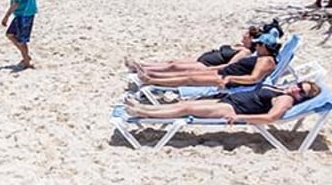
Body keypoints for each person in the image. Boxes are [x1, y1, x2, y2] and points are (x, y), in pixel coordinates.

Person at [136, 29, 281, 88]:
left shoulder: (266, 60)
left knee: (189, 79)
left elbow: (254, 78)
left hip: (227, 77)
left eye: (258, 44)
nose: (256, 46)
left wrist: (231, 79)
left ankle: (151, 81)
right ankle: (150, 75)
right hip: (225, 73)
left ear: (264, 46)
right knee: (188, 75)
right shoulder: (262, 56)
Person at [125, 80, 320, 124]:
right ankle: (143, 108)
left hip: (234, 108)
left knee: (185, 108)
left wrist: (239, 117)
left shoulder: (285, 99)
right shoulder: (282, 88)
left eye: (301, 92)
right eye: (299, 85)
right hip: (229, 100)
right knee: (181, 105)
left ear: (301, 98)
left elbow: (271, 118)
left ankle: (143, 113)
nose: (296, 88)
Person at [126, 22, 281, 76]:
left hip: (206, 65)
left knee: (174, 67)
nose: (243, 35)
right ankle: (142, 65)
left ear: (252, 39)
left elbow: (229, 66)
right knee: (171, 62)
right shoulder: (241, 46)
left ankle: (144, 70)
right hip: (202, 59)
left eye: (246, 34)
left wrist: (208, 70)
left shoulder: (245, 52)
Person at [1, 0, 38, 69]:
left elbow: (16, 1)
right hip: (21, 13)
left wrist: (6, 16)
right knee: (10, 34)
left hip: (25, 13)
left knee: (22, 40)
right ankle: (26, 56)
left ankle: (27, 63)